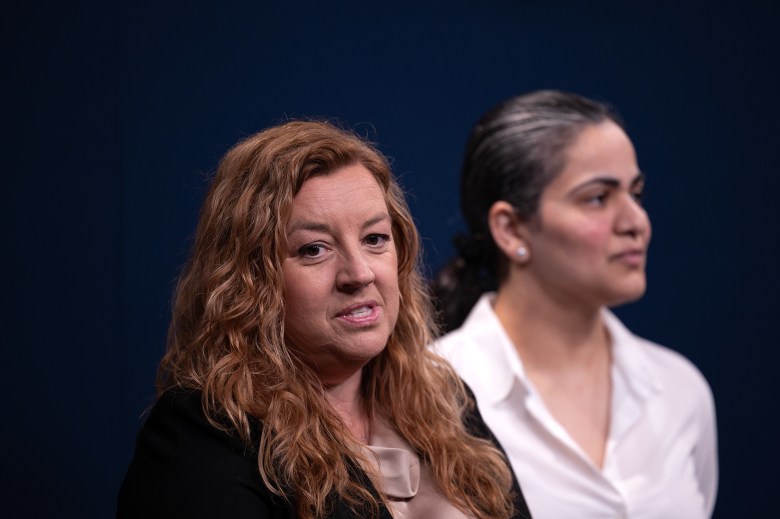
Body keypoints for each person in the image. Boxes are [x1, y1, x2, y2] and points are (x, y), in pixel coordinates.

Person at [118, 120, 531, 519]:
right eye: (314, 249)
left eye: (374, 240)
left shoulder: (447, 400)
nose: (359, 273)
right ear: (250, 281)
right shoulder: (207, 432)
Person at [432, 91, 718, 519]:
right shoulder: (430, 396)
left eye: (635, 194)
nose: (636, 223)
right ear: (510, 230)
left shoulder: (679, 389)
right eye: (598, 198)